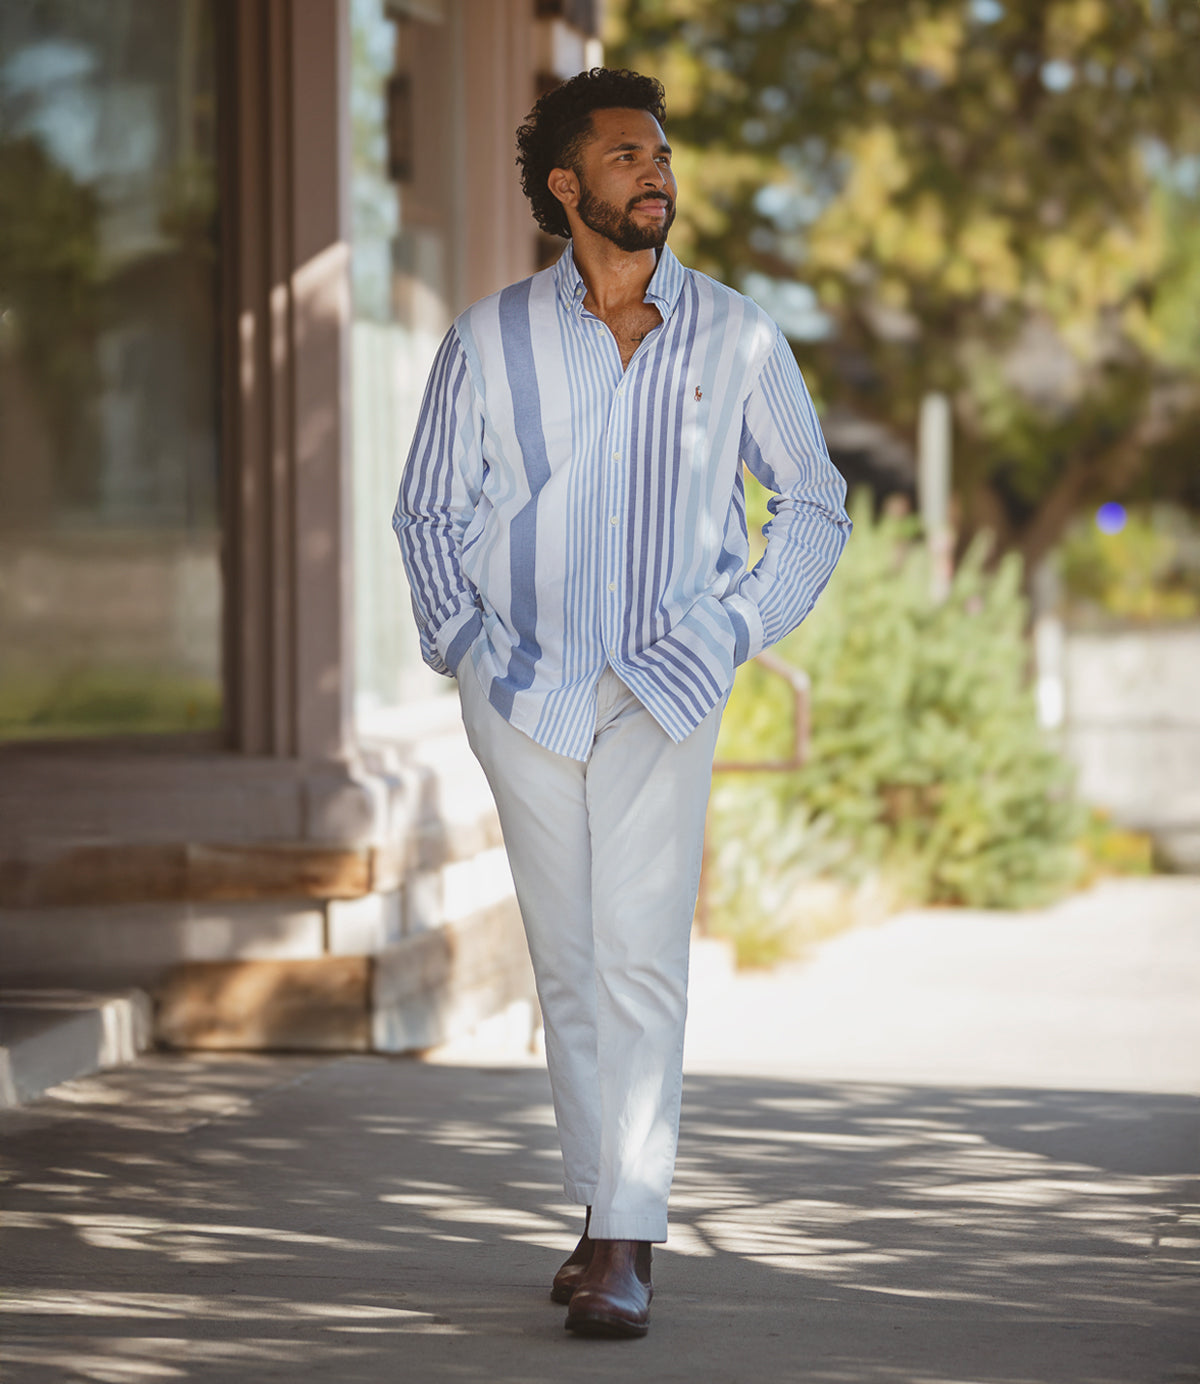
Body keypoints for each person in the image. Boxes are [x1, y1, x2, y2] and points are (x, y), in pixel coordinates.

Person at [393, 67, 850, 1338]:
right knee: (570, 962)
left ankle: (624, 1237)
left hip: (670, 677)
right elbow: (429, 507)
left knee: (640, 950)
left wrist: (742, 624)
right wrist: (466, 650)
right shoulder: (488, 339)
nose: (656, 172)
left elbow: (810, 501)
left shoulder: (741, 335)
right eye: (625, 155)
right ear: (564, 184)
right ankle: (598, 1208)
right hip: (525, 682)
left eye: (662, 154)